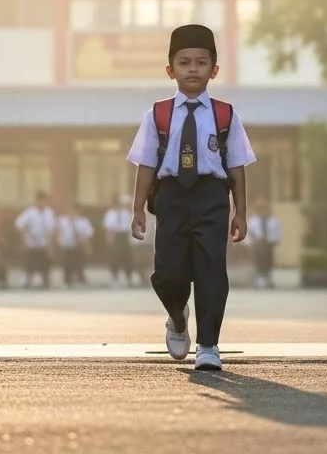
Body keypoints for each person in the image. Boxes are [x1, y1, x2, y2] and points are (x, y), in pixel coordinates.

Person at [127, 24, 255, 371]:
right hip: (170, 196)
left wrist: (240, 212)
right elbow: (146, 163)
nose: (193, 69)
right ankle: (177, 315)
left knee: (212, 270)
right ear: (170, 70)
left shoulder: (226, 115)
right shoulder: (158, 114)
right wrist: (138, 207)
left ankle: (209, 345)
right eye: (184, 62)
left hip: (211, 195)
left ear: (214, 69)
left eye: (201, 62)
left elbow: (238, 165)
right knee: (168, 272)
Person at [15, 191, 57, 289]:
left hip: (44, 244)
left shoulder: (49, 212)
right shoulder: (30, 212)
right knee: (30, 265)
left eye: (45, 201)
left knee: (45, 265)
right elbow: (18, 225)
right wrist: (25, 234)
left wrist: (51, 245)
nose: (43, 203)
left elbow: (52, 229)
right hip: (31, 244)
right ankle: (28, 281)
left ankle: (45, 282)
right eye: (41, 200)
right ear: (37, 201)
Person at [103, 194, 138, 288]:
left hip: (125, 235)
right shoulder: (110, 213)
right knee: (114, 257)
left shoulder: (126, 213)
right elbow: (107, 227)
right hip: (115, 235)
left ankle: (128, 277)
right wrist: (109, 239)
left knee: (128, 257)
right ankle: (115, 277)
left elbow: (131, 226)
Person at [57, 201, 95, 287]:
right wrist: (60, 242)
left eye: (76, 210)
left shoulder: (83, 221)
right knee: (68, 264)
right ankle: (67, 280)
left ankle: (80, 278)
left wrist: (86, 244)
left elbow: (89, 233)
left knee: (79, 263)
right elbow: (59, 232)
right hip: (68, 245)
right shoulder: (63, 220)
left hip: (79, 245)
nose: (74, 212)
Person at [247, 199, 281, 289]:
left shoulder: (273, 221)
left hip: (269, 244)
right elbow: (249, 233)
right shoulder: (253, 221)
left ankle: (267, 277)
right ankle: (259, 278)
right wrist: (254, 242)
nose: (263, 211)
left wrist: (274, 241)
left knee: (268, 260)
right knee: (259, 259)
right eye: (261, 209)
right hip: (257, 244)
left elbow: (277, 233)